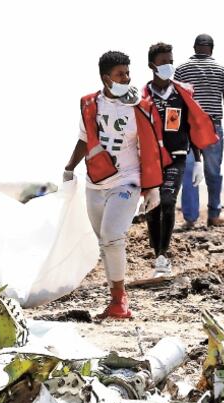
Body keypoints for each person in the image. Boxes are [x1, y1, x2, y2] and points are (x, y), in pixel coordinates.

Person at [63, 50, 169, 319]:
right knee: (105, 241)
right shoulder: (90, 105)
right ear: (105, 78)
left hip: (127, 180)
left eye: (128, 73)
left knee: (112, 236)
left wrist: (152, 186)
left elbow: (152, 146)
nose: (126, 78)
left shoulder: (139, 107)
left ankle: (120, 300)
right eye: (120, 74)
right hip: (96, 181)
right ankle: (114, 298)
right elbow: (84, 138)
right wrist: (69, 167)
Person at [141, 42, 217, 277]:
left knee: (167, 201)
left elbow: (194, 126)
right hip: (151, 160)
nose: (169, 66)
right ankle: (157, 254)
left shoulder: (182, 93)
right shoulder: (143, 96)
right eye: (164, 62)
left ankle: (163, 257)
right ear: (152, 65)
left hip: (177, 157)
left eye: (171, 61)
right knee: (152, 208)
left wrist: (198, 161)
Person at [175, 34, 224, 229]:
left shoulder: (182, 69)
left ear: (194, 47)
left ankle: (190, 218)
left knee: (190, 171)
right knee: (213, 173)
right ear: (212, 48)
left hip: (189, 128)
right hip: (213, 126)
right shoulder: (221, 69)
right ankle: (213, 215)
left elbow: (176, 100)